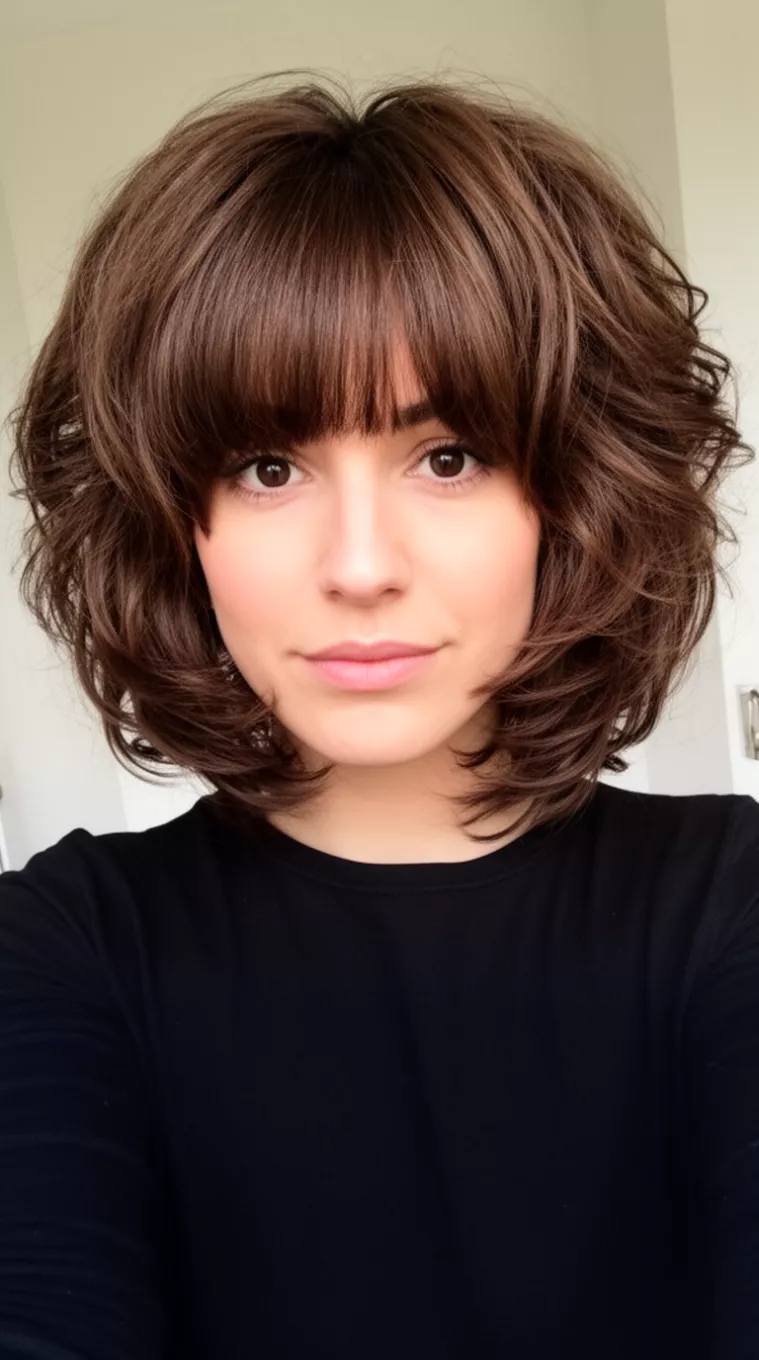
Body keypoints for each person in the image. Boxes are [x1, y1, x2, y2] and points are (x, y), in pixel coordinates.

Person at [1, 69, 758, 1360]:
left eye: (446, 455)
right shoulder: (64, 948)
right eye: (269, 465)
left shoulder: (727, 908)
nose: (360, 564)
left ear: (571, 495)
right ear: (175, 520)